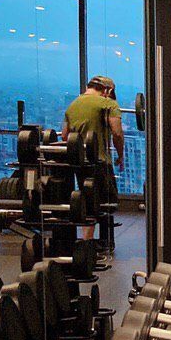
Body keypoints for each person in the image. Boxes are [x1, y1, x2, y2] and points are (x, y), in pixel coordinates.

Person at [62, 76, 123, 243]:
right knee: (106, 202)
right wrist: (120, 155)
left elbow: (65, 136)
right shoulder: (108, 104)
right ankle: (100, 243)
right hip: (100, 161)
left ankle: (87, 241)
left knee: (87, 200)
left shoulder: (73, 105)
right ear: (108, 90)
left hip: (79, 162)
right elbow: (117, 133)